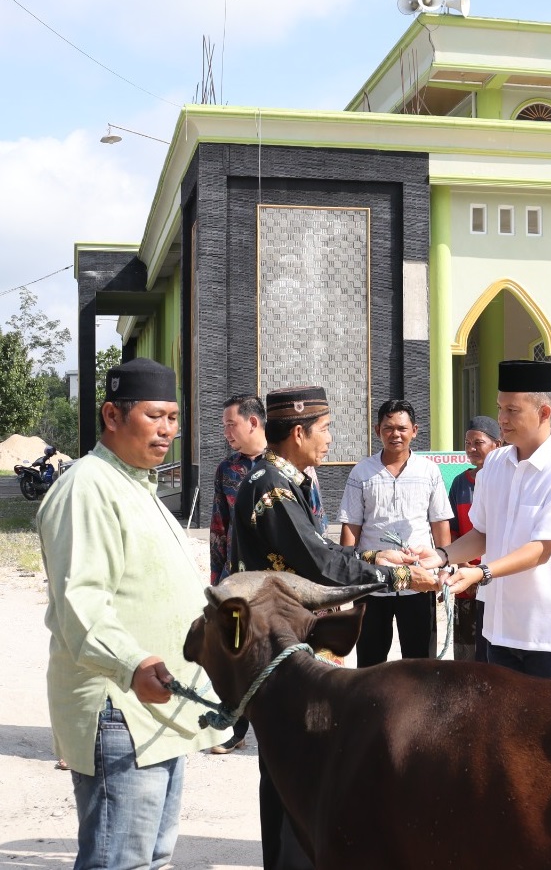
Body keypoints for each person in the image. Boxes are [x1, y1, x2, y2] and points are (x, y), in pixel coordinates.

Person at [229, 385, 440, 870]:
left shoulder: (282, 479)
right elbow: (320, 564)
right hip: (276, 644)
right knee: (291, 764)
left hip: (284, 640)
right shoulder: (272, 488)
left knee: (295, 761)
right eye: (324, 430)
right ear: (298, 432)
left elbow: (317, 552)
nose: (329, 440)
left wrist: (372, 555)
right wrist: (400, 574)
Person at [39, 357, 227, 869]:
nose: (168, 430)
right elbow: (82, 603)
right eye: (154, 416)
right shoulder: (88, 487)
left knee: (151, 859)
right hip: (119, 706)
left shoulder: (140, 488)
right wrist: (131, 664)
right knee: (119, 861)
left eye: (173, 417)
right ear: (112, 416)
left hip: (160, 707)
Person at [440, 361, 551, 679]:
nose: (501, 419)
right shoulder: (495, 464)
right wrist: (440, 557)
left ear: (544, 412)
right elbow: (482, 533)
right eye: (499, 408)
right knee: (499, 727)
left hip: (549, 636)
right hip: (499, 629)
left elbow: (542, 549)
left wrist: (481, 573)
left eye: (512, 410)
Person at [340, 399, 453, 667]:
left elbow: (440, 524)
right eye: (388, 428)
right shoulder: (361, 472)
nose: (395, 434)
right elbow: (351, 526)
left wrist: (445, 568)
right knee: (370, 660)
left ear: (414, 430)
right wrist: (347, 576)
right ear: (378, 429)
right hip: (373, 581)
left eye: (402, 428)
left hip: (418, 579)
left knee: (420, 662)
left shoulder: (429, 471)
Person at [207, 393, 267, 754]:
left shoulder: (288, 465)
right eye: (224, 426)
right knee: (235, 655)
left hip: (278, 581)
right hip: (236, 579)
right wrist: (218, 581)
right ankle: (237, 728)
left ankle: (284, 727)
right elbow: (218, 526)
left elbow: (315, 522)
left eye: (231, 425)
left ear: (253, 422)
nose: (226, 432)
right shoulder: (226, 470)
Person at [447, 415, 502, 661]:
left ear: (497, 445)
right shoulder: (460, 483)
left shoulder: (506, 482)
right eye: (467, 442)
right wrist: (461, 565)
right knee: (467, 654)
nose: (471, 448)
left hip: (496, 576)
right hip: (465, 579)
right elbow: (454, 529)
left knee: (495, 651)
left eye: (477, 442)